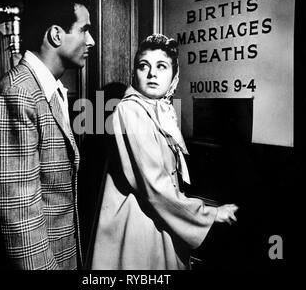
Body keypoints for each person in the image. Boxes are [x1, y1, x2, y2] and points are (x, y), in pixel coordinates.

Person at [89, 34, 238, 270]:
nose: (152, 74)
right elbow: (156, 187)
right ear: (134, 73)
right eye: (143, 66)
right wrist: (209, 213)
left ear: (173, 75)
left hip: (159, 221)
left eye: (161, 66)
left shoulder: (161, 111)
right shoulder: (130, 110)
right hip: (138, 227)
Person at [0, 0, 95, 270]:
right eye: (84, 30)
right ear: (56, 34)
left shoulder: (47, 88)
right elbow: (19, 215)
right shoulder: (19, 92)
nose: (92, 40)